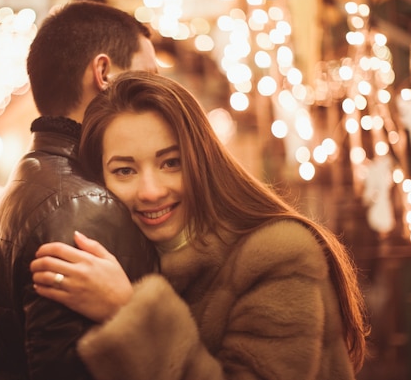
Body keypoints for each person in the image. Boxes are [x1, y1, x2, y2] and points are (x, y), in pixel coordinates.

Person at [30, 71, 371, 380]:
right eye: (125, 171)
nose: (151, 191)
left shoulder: (277, 253)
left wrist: (127, 311)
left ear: (201, 160)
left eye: (171, 163)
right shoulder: (132, 256)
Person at [0, 1, 160, 380]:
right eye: (148, 76)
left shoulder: (28, 179)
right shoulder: (87, 204)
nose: (159, 93)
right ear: (103, 72)